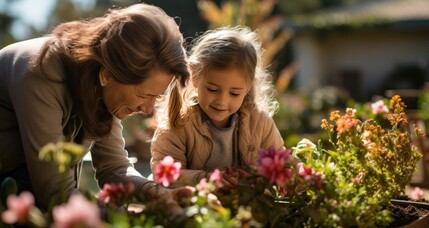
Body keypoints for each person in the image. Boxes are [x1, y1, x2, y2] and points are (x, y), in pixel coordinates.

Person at [0, 3, 192, 210]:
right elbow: (55, 194)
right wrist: (125, 222)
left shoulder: (104, 89)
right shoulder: (39, 72)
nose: (147, 109)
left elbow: (114, 168)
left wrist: (157, 194)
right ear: (107, 75)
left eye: (156, 96)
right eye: (143, 95)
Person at [150, 26, 284, 188]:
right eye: (213, 90)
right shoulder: (178, 122)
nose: (222, 101)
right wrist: (206, 179)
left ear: (248, 87)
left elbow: (282, 161)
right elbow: (163, 173)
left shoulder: (259, 122)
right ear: (194, 77)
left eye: (234, 93)